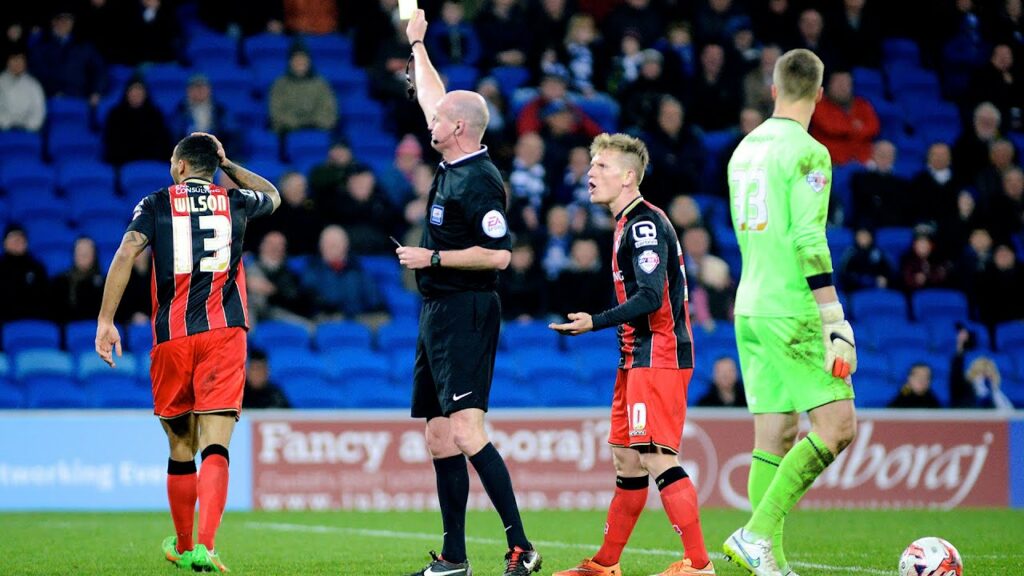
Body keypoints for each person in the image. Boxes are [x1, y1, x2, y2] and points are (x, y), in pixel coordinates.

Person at [94, 133, 280, 572]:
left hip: (173, 338)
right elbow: (273, 194)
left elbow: (126, 252)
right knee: (216, 443)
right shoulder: (234, 202)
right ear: (211, 167)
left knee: (181, 443)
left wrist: (106, 320)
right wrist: (229, 165)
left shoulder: (156, 202)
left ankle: (181, 544)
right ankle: (207, 546)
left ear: (179, 166)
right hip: (223, 333)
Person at [398, 10, 540, 576]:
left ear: (459, 128)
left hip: (467, 308)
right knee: (438, 437)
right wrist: (417, 43)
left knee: (465, 429)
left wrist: (431, 256)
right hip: (437, 310)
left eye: (440, 119)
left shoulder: (480, 180)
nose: (429, 119)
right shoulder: (453, 157)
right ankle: (455, 558)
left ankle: (521, 546)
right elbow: (434, 96)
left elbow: (500, 255)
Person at [549, 132, 714, 576]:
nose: (590, 174)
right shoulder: (624, 223)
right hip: (634, 355)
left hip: (657, 353)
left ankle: (699, 565)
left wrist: (594, 321)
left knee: (657, 453)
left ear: (628, 176)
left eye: (600, 166)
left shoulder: (643, 224)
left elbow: (650, 296)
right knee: (626, 457)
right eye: (590, 165)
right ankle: (605, 564)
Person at [722, 49, 858, 576]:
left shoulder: (743, 151)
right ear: (819, 95)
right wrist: (833, 319)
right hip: (791, 309)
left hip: (750, 306)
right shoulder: (809, 152)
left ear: (774, 90)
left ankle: (769, 563)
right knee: (838, 426)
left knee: (775, 436)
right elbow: (808, 238)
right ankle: (756, 535)